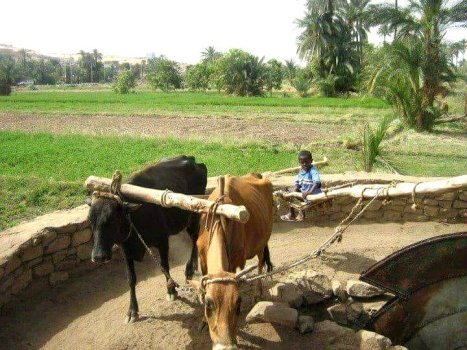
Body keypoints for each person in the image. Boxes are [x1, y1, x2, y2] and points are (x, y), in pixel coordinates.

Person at [281, 150, 321, 222]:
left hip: (312, 195)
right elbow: (298, 183)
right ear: (300, 163)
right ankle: (291, 214)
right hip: (304, 194)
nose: (304, 164)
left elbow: (317, 183)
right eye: (302, 163)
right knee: (289, 192)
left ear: (311, 161)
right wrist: (294, 190)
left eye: (306, 162)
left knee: (296, 194)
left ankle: (301, 214)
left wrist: (309, 192)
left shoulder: (313, 171)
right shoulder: (301, 171)